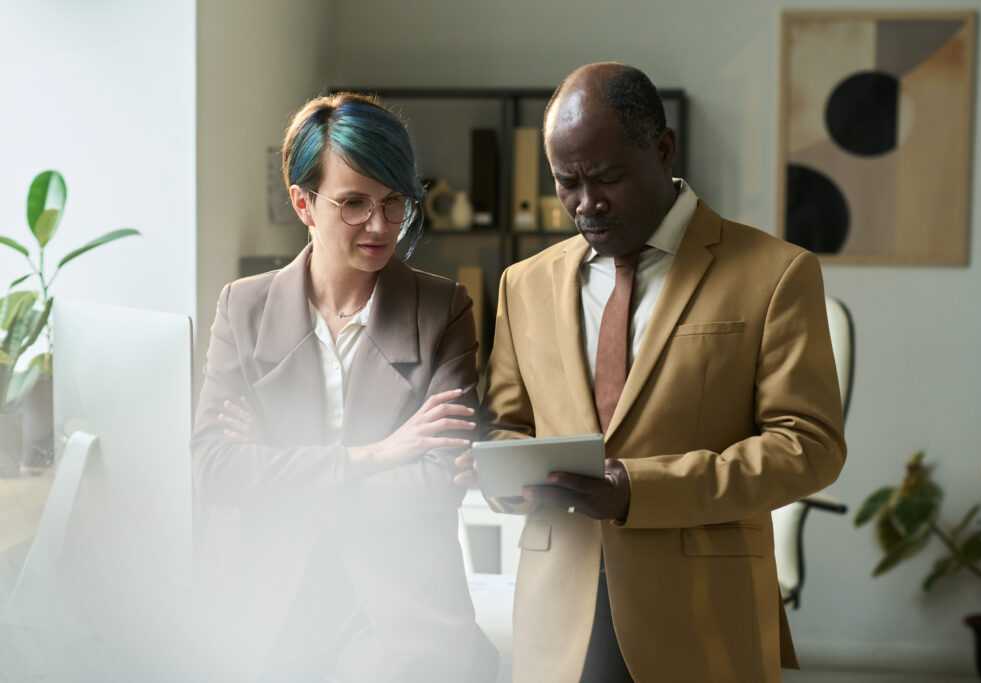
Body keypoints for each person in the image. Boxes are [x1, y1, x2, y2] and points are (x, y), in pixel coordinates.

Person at [455, 63, 846, 682]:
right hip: (557, 623)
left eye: (607, 177)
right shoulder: (522, 284)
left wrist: (640, 489)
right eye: (567, 183)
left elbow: (809, 447)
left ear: (662, 150)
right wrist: (503, 473)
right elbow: (506, 426)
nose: (587, 204)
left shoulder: (776, 273)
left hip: (703, 618)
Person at [191, 92, 497, 682]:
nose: (381, 226)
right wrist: (376, 455)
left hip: (397, 608)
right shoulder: (244, 307)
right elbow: (217, 470)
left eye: (394, 202)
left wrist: (277, 471)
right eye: (354, 204)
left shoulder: (443, 308)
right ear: (303, 204)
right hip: (266, 600)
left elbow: (438, 481)